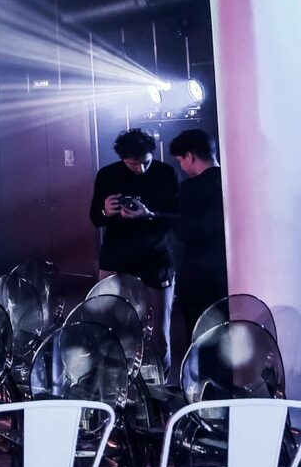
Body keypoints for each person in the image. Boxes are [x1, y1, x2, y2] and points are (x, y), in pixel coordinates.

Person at [89, 128, 179, 372]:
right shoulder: (107, 175)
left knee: (159, 330)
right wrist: (106, 211)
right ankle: (117, 380)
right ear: (122, 158)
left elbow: (177, 216)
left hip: (156, 257)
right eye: (133, 164)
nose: (140, 169)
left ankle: (159, 382)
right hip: (117, 256)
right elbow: (95, 218)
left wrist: (149, 214)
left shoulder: (165, 173)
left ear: (152, 153)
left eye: (145, 162)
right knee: (109, 324)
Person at [167, 128, 226, 356]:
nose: (181, 166)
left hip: (199, 277)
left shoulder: (190, 188)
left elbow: (184, 231)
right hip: (231, 275)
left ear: (190, 156)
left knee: (201, 340)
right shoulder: (233, 180)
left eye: (180, 160)